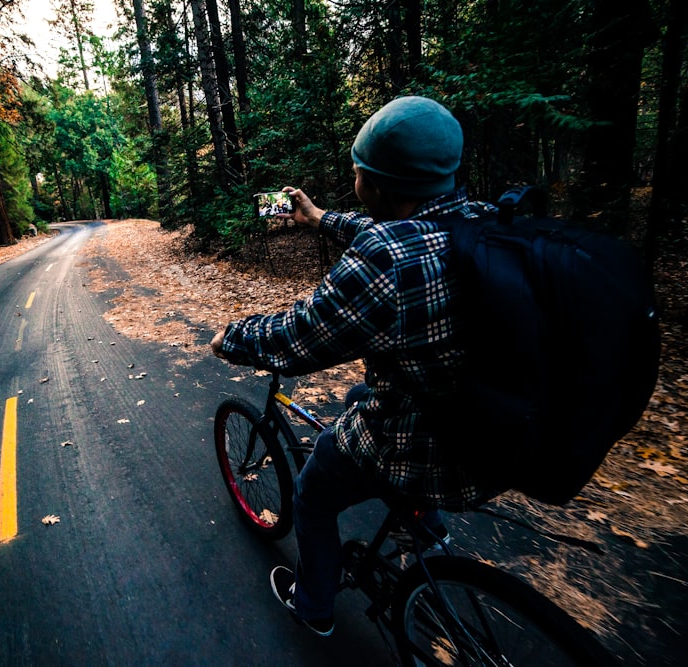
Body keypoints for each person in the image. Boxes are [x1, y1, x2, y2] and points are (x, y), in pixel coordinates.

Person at [210, 96, 503, 637]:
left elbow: (301, 340)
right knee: (353, 404)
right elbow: (389, 231)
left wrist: (233, 336)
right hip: (488, 429)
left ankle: (314, 606)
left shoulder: (385, 260)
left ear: (376, 181)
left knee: (313, 494)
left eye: (358, 168)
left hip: (426, 441)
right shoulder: (481, 220)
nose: (354, 175)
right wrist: (319, 218)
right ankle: (428, 536)